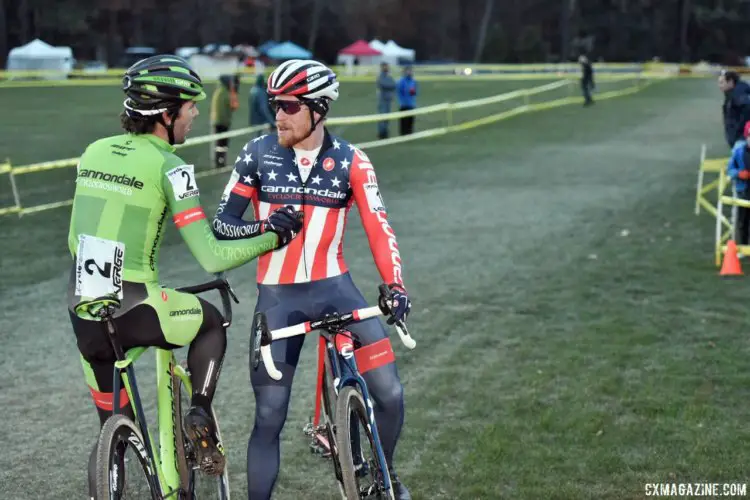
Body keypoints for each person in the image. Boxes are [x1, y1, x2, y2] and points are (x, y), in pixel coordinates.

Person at [65, 55, 302, 498]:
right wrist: (272, 236)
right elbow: (211, 257)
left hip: (84, 313)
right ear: (165, 114)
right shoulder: (171, 168)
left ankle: (114, 460)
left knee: (115, 429)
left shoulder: (93, 151)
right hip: (140, 308)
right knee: (210, 319)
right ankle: (199, 413)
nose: (195, 113)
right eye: (189, 106)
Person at [212, 59, 413, 500]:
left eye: (288, 105)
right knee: (269, 415)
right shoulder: (257, 154)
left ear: (318, 109)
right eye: (273, 105)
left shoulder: (352, 160)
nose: (277, 115)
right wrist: (265, 230)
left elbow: (379, 227)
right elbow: (222, 224)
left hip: (336, 291)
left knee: (390, 394)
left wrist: (395, 285)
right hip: (278, 301)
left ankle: (384, 475)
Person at [727, 121, 750, 246]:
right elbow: (729, 170)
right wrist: (738, 174)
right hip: (744, 190)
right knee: (743, 221)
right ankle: (744, 246)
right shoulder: (738, 151)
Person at [210, 73, 240, 168]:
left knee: (218, 143)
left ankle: (218, 161)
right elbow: (234, 106)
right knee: (222, 143)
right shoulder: (226, 93)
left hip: (217, 121)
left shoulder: (218, 91)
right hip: (223, 122)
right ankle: (220, 162)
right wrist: (232, 91)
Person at [718, 70, 750, 149]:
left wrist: (739, 136)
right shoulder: (732, 94)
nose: (719, 86)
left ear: (731, 82)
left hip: (741, 139)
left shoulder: (738, 96)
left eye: (722, 82)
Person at [376, 62, 397, 139]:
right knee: (382, 117)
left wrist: (390, 85)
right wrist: (390, 85)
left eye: (387, 67)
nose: (386, 68)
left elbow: (394, 84)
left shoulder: (389, 76)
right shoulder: (380, 77)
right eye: (385, 67)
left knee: (387, 117)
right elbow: (383, 84)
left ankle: (385, 132)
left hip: (388, 99)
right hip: (382, 100)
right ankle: (382, 133)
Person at [397, 65, 418, 135]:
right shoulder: (401, 81)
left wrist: (413, 92)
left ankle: (409, 134)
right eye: (408, 71)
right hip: (404, 105)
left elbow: (416, 92)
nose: (410, 72)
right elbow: (399, 92)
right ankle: (403, 134)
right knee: (403, 121)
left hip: (411, 104)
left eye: (411, 71)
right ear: (405, 72)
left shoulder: (413, 81)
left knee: (410, 121)